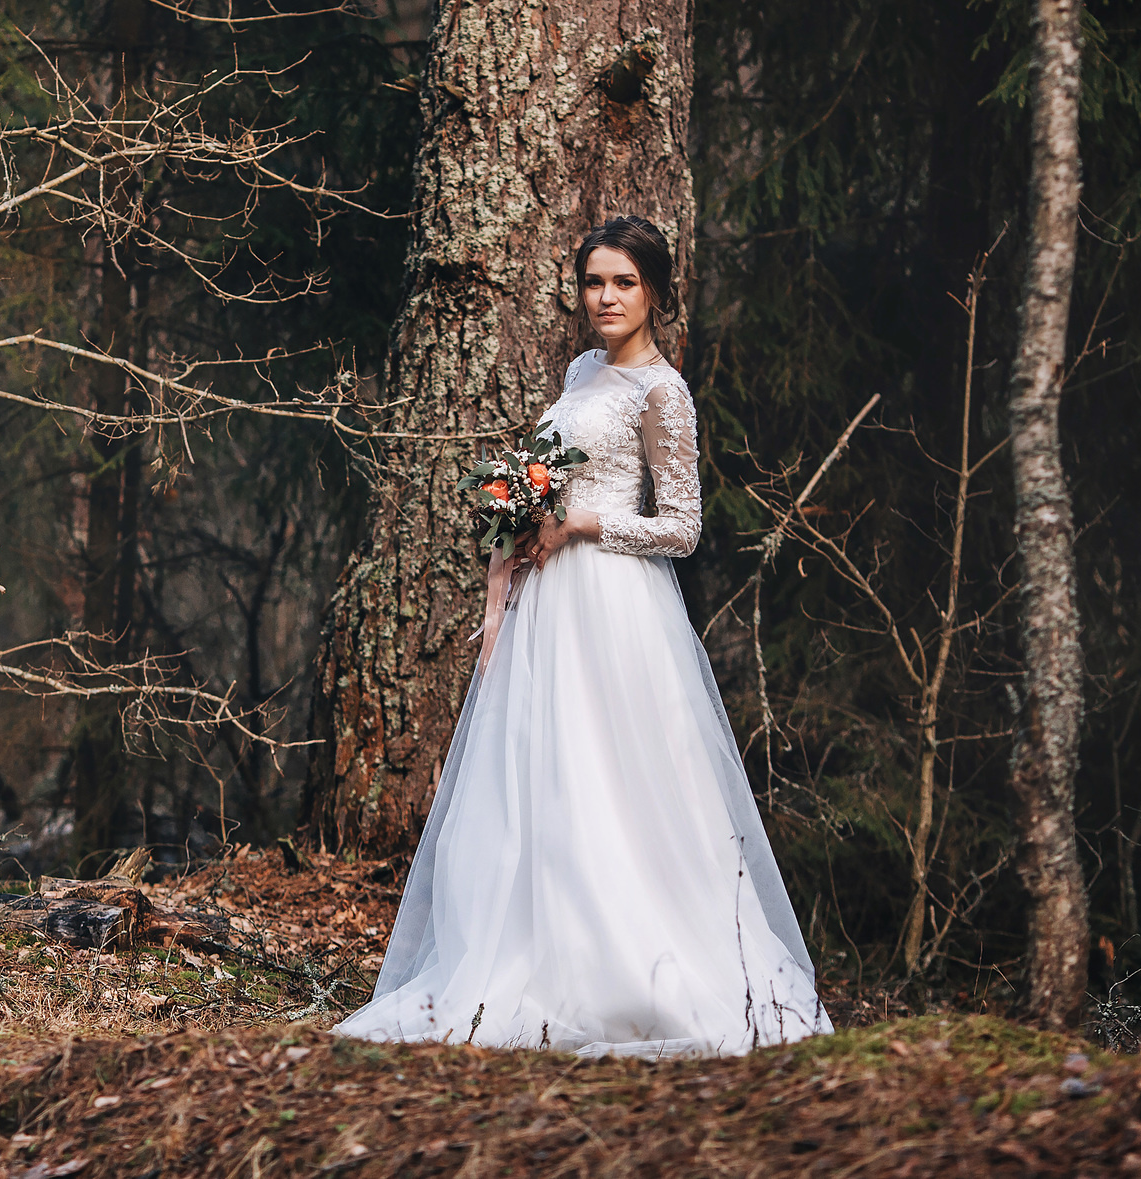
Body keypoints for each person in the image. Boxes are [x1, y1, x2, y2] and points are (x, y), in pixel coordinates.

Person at [331, 214, 831, 1057]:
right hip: (549, 604)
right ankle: (531, 956)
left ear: (655, 292)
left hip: (618, 604)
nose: (605, 297)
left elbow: (682, 526)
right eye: (594, 281)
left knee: (621, 780)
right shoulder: (581, 370)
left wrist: (580, 523)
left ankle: (633, 966)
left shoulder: (663, 394)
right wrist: (511, 560)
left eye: (623, 282)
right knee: (544, 776)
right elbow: (545, 480)